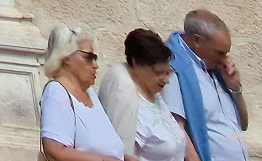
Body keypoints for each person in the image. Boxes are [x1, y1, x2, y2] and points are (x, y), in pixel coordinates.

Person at [98, 28, 200, 161]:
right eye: (158, 72)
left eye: (167, 72)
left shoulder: (152, 91)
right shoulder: (124, 90)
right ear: (135, 63)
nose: (166, 80)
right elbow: (124, 154)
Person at [166, 10, 248, 161]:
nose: (225, 59)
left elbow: (243, 125)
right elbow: (176, 129)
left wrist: (235, 89)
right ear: (197, 41)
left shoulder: (218, 71)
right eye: (220, 53)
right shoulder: (174, 67)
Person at [39, 26, 124, 161]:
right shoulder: (57, 92)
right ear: (66, 57)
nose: (95, 65)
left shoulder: (90, 93)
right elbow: (54, 151)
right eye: (88, 57)